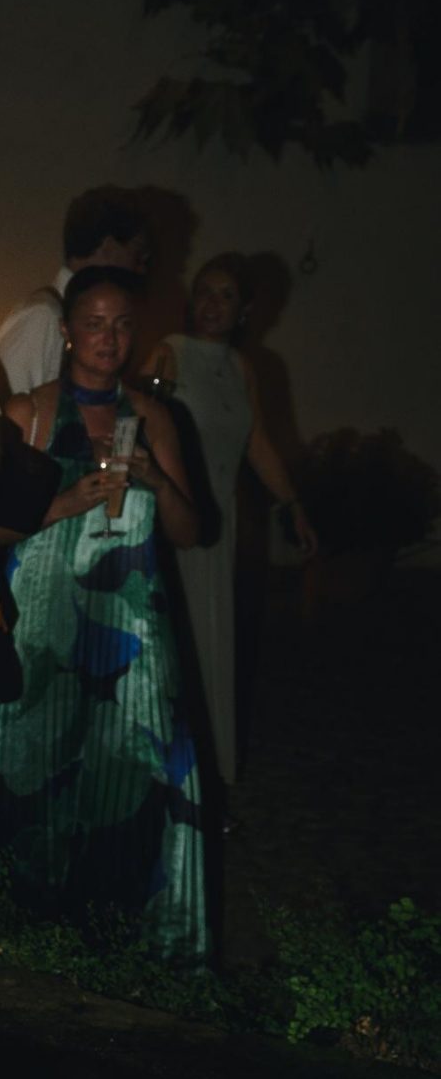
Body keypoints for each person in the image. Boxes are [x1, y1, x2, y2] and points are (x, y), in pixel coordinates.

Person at [0, 265, 209, 961]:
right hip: (39, 633)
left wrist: (154, 478)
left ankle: (122, 957)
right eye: (93, 323)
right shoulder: (26, 415)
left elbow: (190, 531)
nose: (108, 338)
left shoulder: (153, 418)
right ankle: (3, 950)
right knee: (22, 787)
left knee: (129, 789)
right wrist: (62, 502)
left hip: (132, 636)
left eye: (122, 324)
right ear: (66, 332)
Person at [142, 255, 317, 786]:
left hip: (221, 518)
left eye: (224, 296)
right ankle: (165, 773)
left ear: (244, 310)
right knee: (175, 638)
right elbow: (142, 422)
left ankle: (209, 775)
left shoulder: (243, 367)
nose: (211, 304)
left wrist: (293, 504)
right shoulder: (169, 352)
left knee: (213, 636)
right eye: (203, 292)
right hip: (179, 519)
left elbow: (256, 442)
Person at [0, 188, 152, 403]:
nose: (140, 268)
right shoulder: (43, 316)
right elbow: (7, 413)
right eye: (137, 253)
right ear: (108, 247)